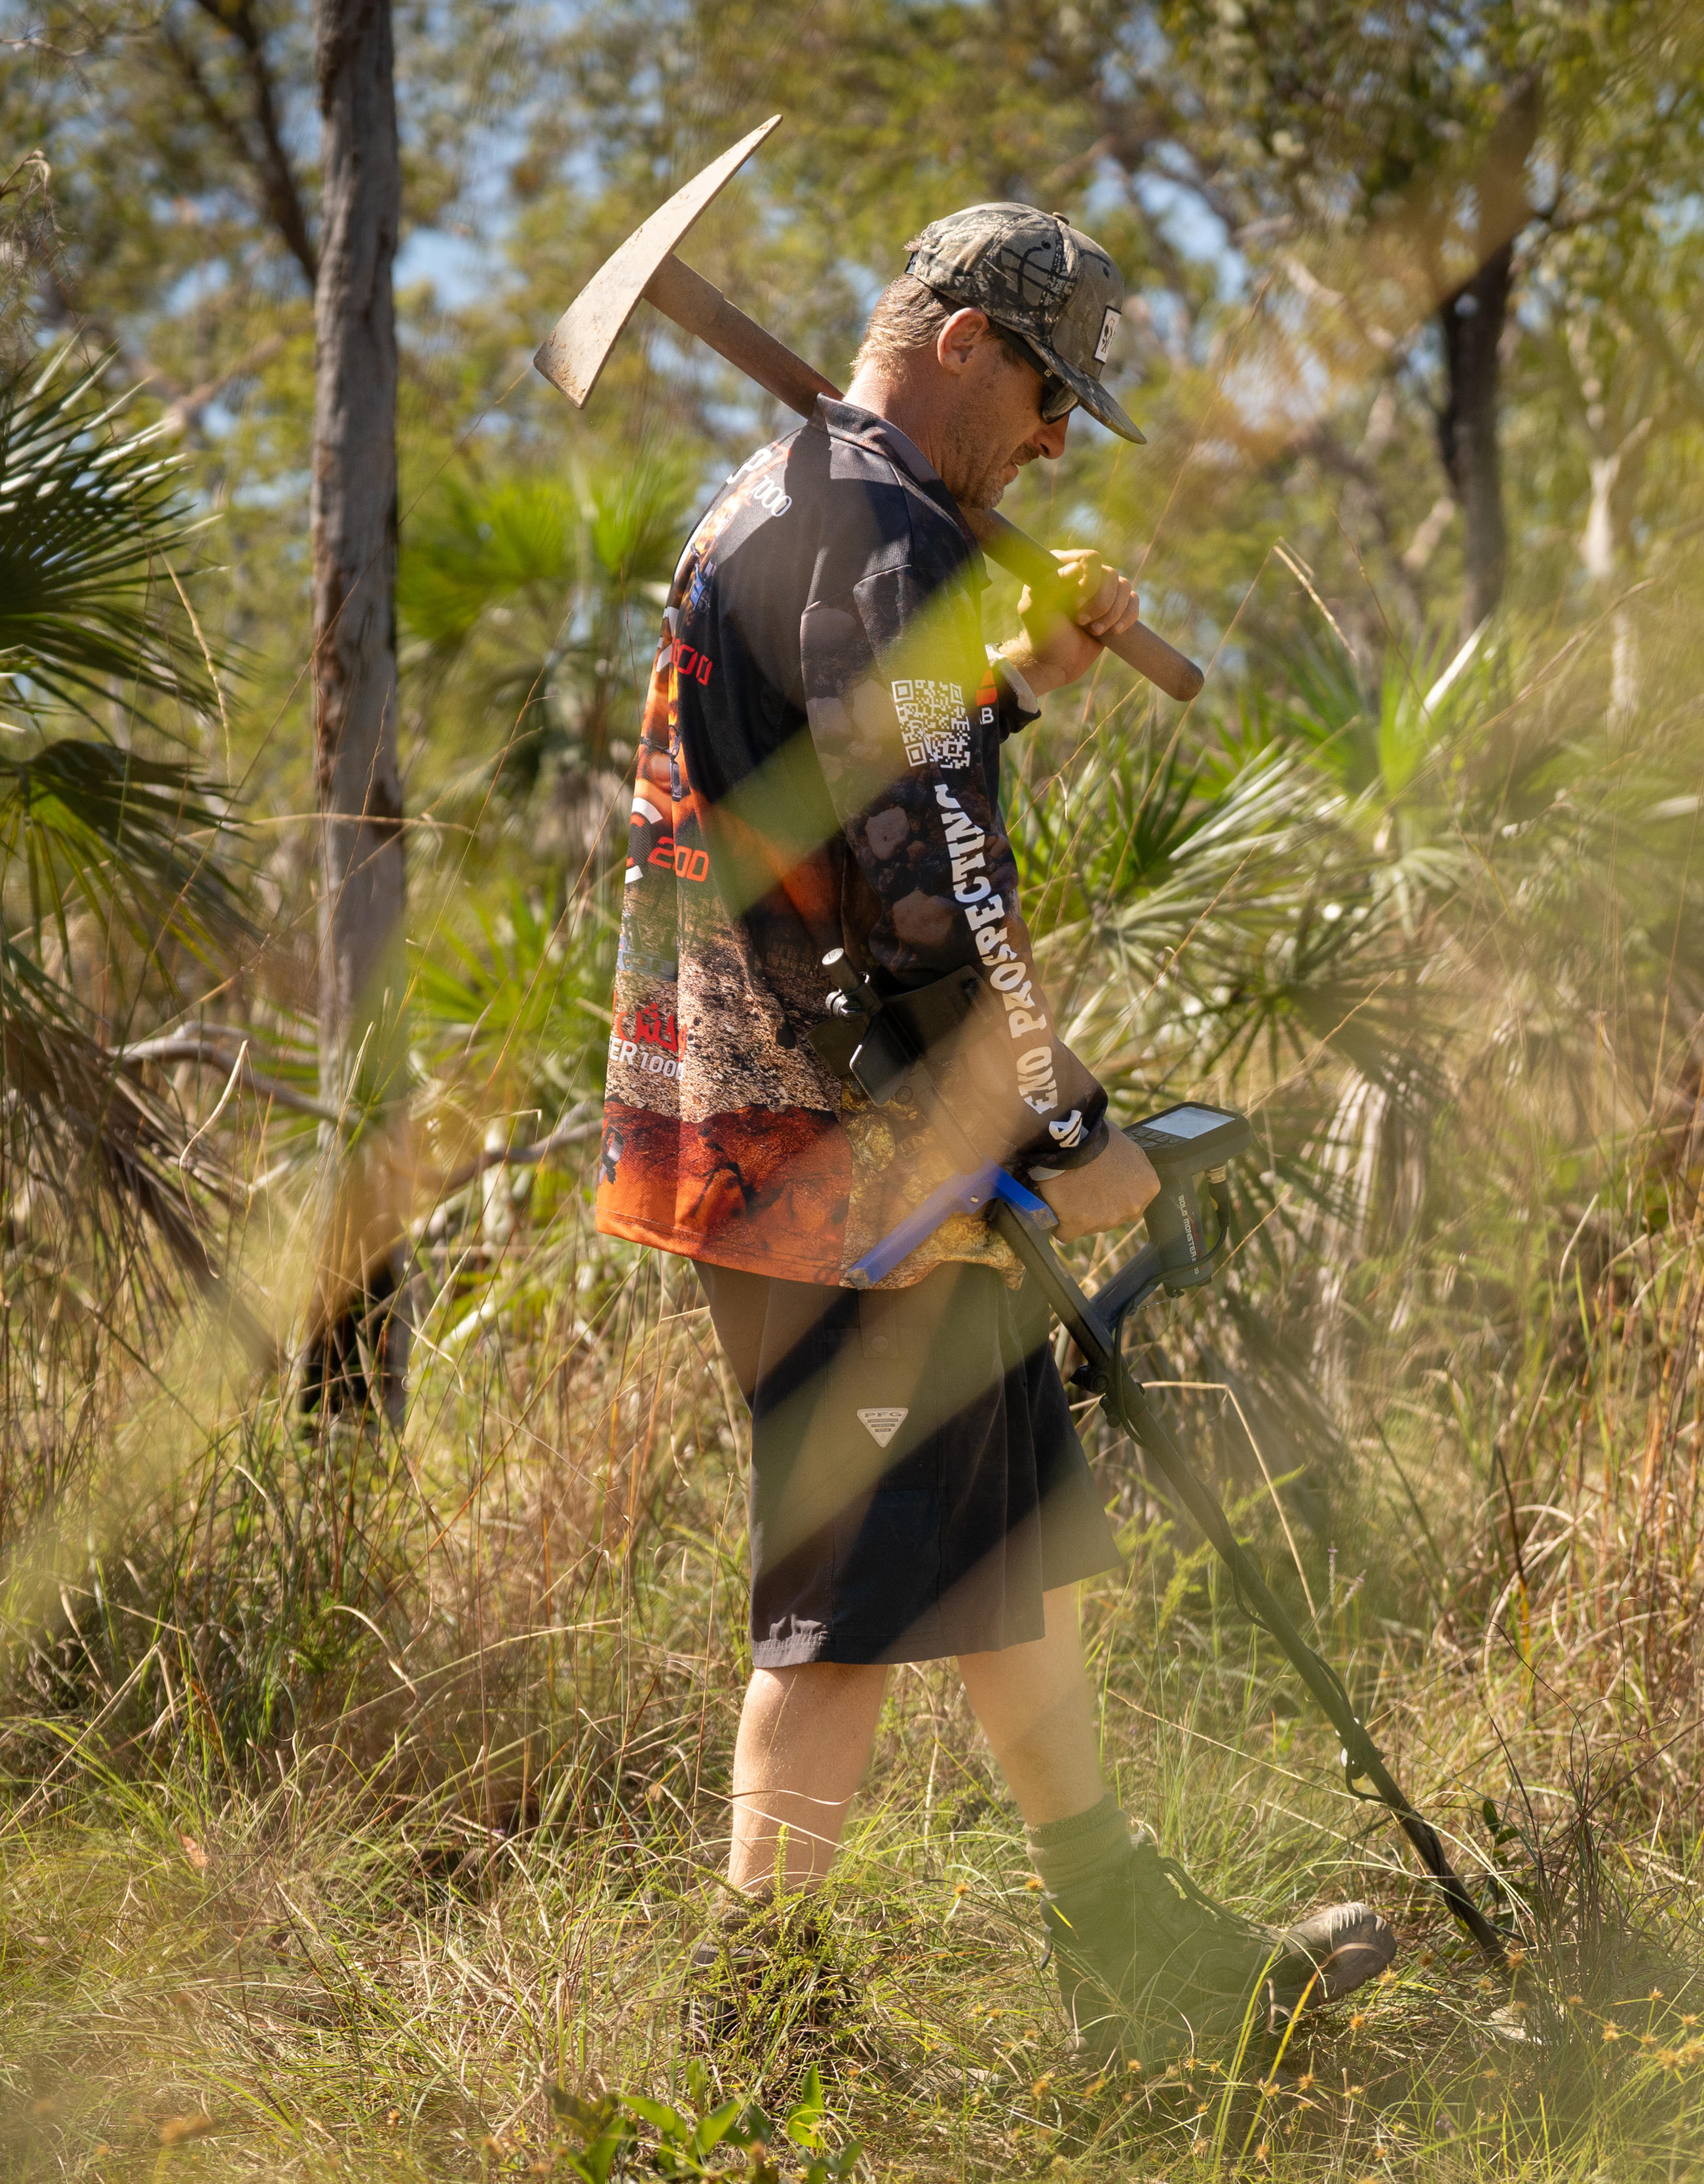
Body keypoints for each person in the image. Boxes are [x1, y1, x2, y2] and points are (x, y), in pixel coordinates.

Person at [592, 203, 1395, 2059]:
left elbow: (885, 765)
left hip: (844, 1124)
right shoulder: (868, 524)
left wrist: (1030, 678)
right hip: (831, 1155)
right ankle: (753, 2051)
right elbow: (928, 876)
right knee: (849, 1609)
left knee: (1005, 1548)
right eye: (1045, 394)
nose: (1051, 440)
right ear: (962, 343)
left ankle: (1131, 1950)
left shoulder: (825, 507)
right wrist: (1060, 1127)